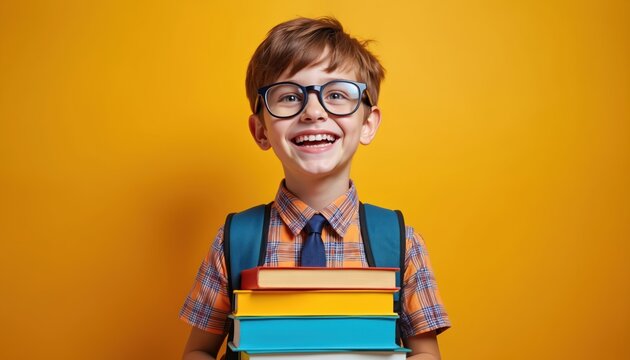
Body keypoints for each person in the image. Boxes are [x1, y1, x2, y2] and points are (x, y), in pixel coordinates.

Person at [180, 17, 450, 360]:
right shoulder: (234, 240)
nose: (313, 111)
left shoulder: (401, 242)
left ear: (367, 124)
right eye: (290, 97)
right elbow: (199, 351)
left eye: (336, 94)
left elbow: (425, 354)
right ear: (261, 131)